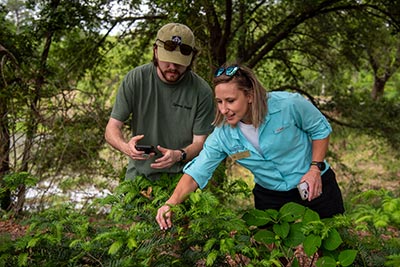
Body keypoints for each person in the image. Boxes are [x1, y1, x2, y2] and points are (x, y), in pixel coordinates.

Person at [156, 63, 345, 230]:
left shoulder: (289, 105)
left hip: (314, 183)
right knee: (275, 257)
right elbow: (197, 171)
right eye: (219, 102)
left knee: (332, 246)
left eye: (230, 101)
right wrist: (171, 203)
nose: (223, 109)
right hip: (271, 195)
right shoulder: (222, 135)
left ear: (250, 95)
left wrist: (315, 168)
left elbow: (320, 130)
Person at [105, 23, 215, 181]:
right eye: (167, 60)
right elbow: (111, 128)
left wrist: (179, 155)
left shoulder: (201, 91)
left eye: (179, 62)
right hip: (138, 178)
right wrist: (125, 147)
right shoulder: (136, 79)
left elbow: (200, 143)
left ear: (191, 59)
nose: (172, 67)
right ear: (155, 51)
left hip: (183, 179)